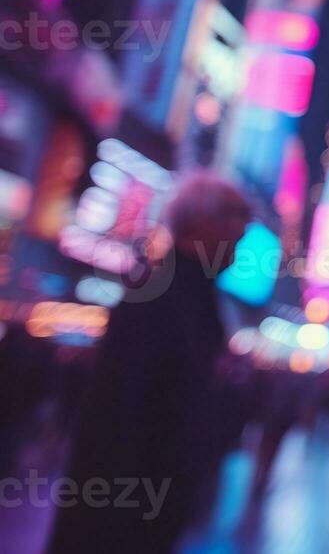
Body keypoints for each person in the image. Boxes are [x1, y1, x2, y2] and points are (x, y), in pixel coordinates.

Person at [46, 170, 251, 554]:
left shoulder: (192, 300)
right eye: (234, 227)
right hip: (117, 523)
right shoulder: (159, 300)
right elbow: (117, 424)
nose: (239, 244)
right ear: (201, 224)